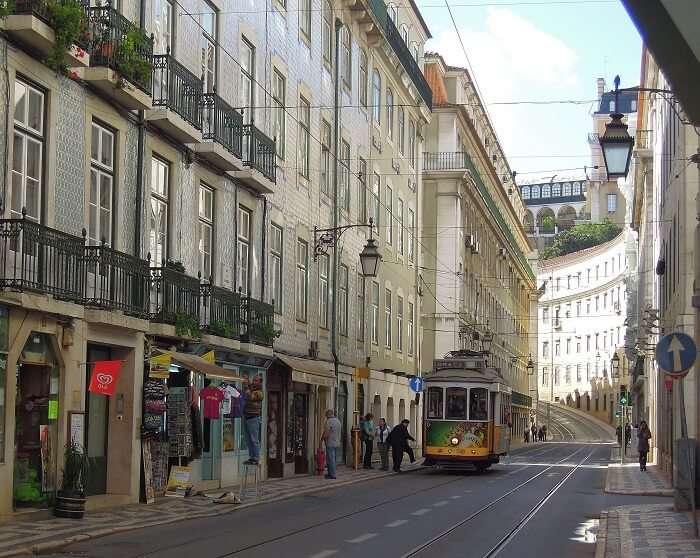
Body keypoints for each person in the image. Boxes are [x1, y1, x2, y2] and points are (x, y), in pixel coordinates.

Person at [243, 375, 264, 465]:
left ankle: (257, 458)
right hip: (247, 415)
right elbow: (246, 391)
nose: (254, 381)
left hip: (254, 417)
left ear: (260, 382)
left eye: (256, 380)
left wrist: (247, 386)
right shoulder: (251, 387)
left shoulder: (260, 392)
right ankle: (252, 457)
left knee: (254, 439)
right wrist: (246, 382)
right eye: (253, 380)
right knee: (248, 439)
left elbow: (251, 396)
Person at [322, 409, 342, 479]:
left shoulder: (329, 421)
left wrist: (323, 438)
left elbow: (327, 433)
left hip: (330, 443)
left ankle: (332, 475)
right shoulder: (338, 421)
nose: (326, 417)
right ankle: (331, 473)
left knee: (330, 459)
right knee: (334, 459)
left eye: (326, 415)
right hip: (337, 442)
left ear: (328, 414)